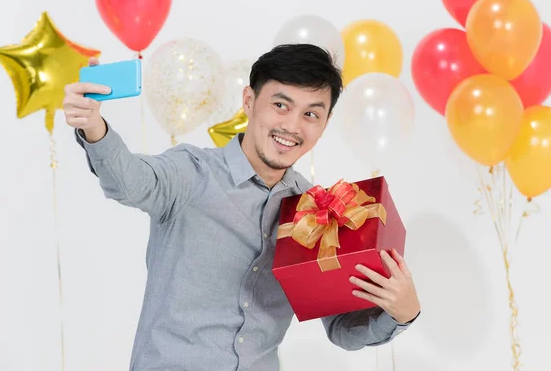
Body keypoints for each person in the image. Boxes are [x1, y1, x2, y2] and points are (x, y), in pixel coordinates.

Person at [64, 44, 421, 371]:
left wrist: (400, 314)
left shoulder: (320, 212)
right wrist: (94, 128)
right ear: (249, 101)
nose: (292, 126)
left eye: (311, 114)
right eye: (280, 105)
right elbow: (130, 182)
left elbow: (341, 329)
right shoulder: (192, 173)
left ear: (324, 124)